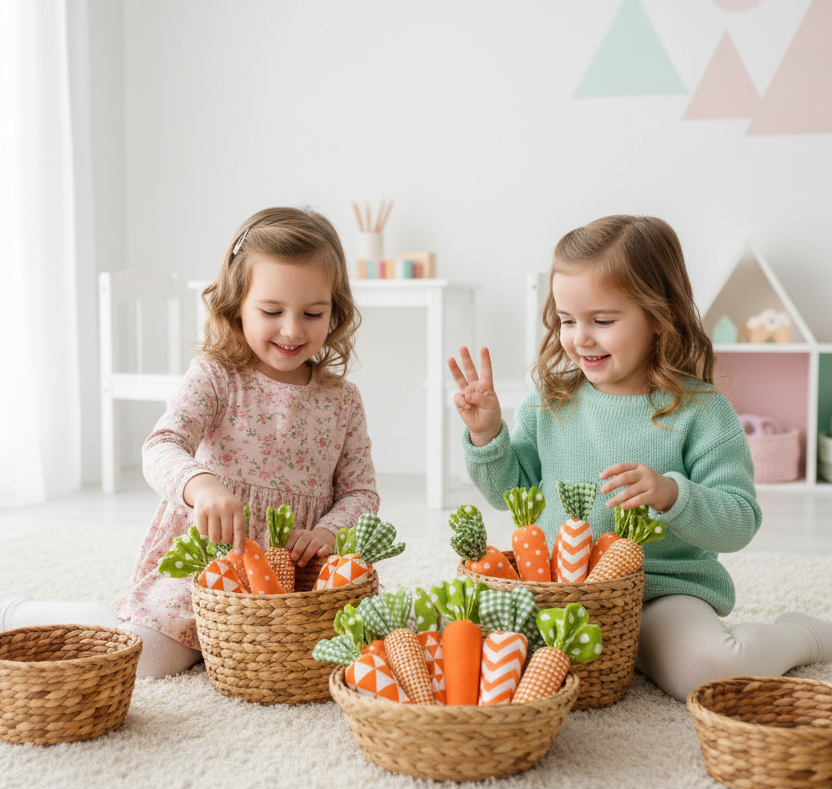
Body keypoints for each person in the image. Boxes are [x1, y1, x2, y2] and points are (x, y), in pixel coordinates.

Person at [448, 214, 832, 701]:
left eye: (602, 321)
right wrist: (487, 436)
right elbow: (509, 496)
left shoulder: (702, 412)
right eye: (567, 321)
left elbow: (739, 521)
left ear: (658, 316)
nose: (580, 338)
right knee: (464, 641)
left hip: (659, 592)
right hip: (557, 590)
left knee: (709, 670)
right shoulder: (549, 401)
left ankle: (804, 634)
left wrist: (674, 495)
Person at [1, 206, 380, 678]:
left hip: (299, 572)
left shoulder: (342, 399)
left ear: (335, 311)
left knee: (351, 647)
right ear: (236, 303)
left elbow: (361, 492)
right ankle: (19, 614)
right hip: (211, 560)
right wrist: (201, 485)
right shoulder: (218, 376)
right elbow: (161, 444)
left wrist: (328, 531)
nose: (292, 329)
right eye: (271, 311)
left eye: (313, 313)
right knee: (144, 657)